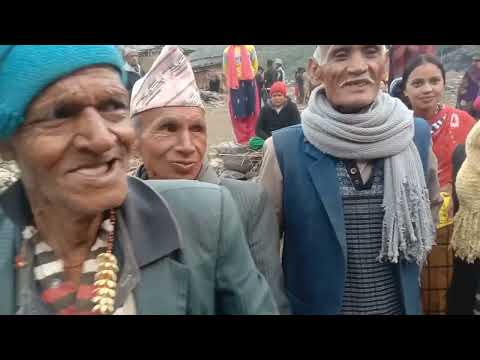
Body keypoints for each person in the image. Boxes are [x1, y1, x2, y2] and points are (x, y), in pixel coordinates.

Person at [0, 45, 278, 315]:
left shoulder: (208, 215)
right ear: (7, 143)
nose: (100, 138)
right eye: (59, 114)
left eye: (112, 106)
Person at [258, 45, 443, 315]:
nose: (358, 67)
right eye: (341, 54)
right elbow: (263, 251)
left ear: (385, 66)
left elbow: (429, 213)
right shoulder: (283, 150)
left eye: (370, 52)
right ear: (315, 70)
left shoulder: (415, 139)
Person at [129, 45, 290, 314]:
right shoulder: (118, 210)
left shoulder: (246, 203)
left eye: (197, 129)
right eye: (168, 128)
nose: (187, 145)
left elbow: (271, 301)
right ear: (133, 142)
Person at [223, 45, 260, 144]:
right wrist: (234, 78)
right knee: (238, 111)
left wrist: (248, 75)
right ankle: (242, 139)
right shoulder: (226, 51)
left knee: (252, 109)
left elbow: (255, 64)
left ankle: (253, 136)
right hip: (235, 85)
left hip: (249, 82)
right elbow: (225, 69)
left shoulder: (250, 48)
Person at [457, 53, 480, 120]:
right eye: (477, 61)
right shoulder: (470, 72)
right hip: (469, 99)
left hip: (477, 100)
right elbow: (462, 87)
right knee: (466, 117)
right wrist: (460, 101)